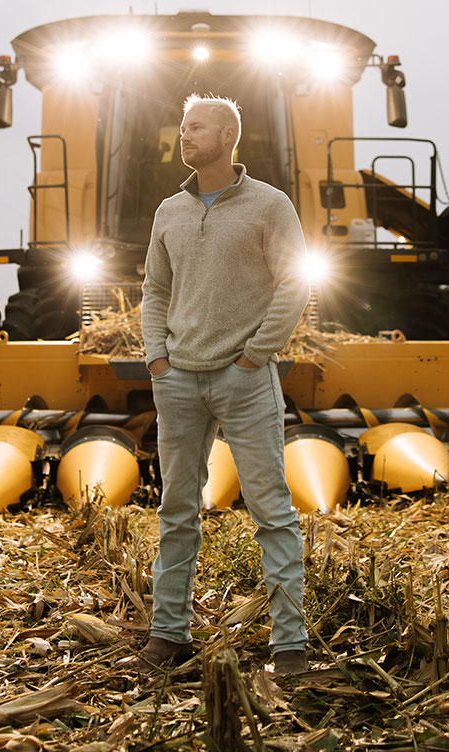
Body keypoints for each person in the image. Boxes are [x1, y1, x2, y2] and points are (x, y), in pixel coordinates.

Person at [135, 94, 312, 676]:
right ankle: (168, 634)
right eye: (183, 126)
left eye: (197, 128)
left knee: (272, 511)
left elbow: (294, 285)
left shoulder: (270, 205)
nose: (184, 136)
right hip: (177, 381)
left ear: (228, 136)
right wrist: (157, 359)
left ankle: (289, 644)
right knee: (176, 510)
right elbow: (155, 290)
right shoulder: (169, 210)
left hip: (245, 381)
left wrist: (253, 357)